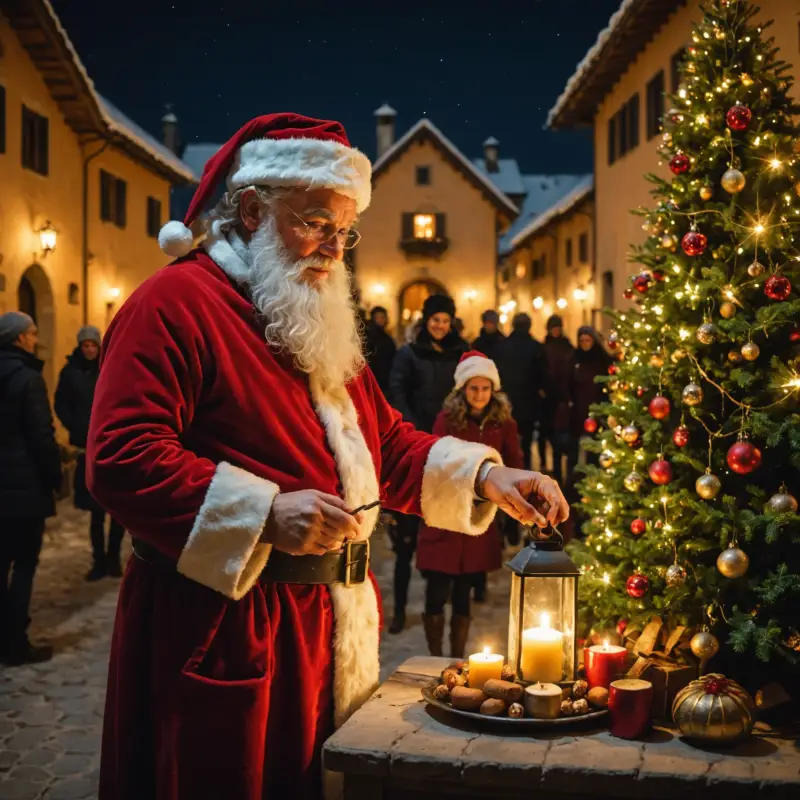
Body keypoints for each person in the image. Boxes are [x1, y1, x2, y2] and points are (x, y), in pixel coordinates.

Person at [86, 113, 569, 800]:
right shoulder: (174, 304)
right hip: (226, 626)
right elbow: (120, 456)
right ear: (252, 210)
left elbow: (387, 446)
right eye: (315, 223)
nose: (333, 248)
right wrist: (263, 513)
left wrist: (490, 474)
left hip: (330, 624)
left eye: (346, 232)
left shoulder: (310, 314)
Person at [416, 352, 523, 657]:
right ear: (463, 389)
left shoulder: (503, 423)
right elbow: (436, 460)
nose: (479, 395)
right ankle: (434, 655)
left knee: (464, 591)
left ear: (493, 390)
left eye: (485, 388)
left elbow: (513, 460)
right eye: (473, 388)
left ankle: (456, 654)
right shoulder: (447, 419)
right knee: (437, 590)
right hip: (445, 514)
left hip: (477, 517)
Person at [387, 293, 468, 633]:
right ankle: (401, 611)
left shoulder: (460, 352)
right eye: (435, 320)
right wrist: (412, 428)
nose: (440, 326)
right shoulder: (408, 354)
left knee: (449, 529)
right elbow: (396, 390)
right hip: (416, 446)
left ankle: (451, 600)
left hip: (449, 447)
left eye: (445, 321)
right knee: (405, 541)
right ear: (426, 321)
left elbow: (467, 391)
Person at [0, 311, 60, 665]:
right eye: (33, 333)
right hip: (23, 489)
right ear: (19, 338)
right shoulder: (27, 377)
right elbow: (41, 435)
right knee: (23, 565)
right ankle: (15, 643)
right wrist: (54, 478)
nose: (36, 339)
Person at [55, 325, 125, 581]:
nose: (90, 349)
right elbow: (61, 403)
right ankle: (98, 561)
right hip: (86, 447)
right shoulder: (70, 372)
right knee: (95, 513)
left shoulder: (111, 366)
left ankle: (114, 557)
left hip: (111, 445)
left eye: (93, 345)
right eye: (85, 345)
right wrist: (76, 426)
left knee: (117, 511)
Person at [498, 312, 546, 471]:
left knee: (507, 442)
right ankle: (526, 473)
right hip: (529, 402)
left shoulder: (504, 346)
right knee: (526, 444)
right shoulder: (536, 347)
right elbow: (542, 375)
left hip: (507, 402)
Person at [570, 325, 613, 470]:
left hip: (598, 407)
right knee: (577, 447)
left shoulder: (602, 360)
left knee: (595, 445)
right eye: (582, 341)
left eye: (587, 340)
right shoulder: (574, 358)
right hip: (579, 408)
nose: (584, 344)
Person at [541, 314, 576, 486]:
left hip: (565, 399)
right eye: (553, 327)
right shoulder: (544, 347)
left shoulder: (567, 347)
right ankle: (556, 473)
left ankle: (567, 476)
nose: (556, 330)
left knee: (566, 439)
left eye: (558, 327)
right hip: (550, 400)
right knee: (553, 438)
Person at [363, 305, 396, 395]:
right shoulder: (367, 336)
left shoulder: (387, 339)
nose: (380, 320)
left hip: (385, 381)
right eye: (377, 317)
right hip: (372, 379)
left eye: (382, 317)